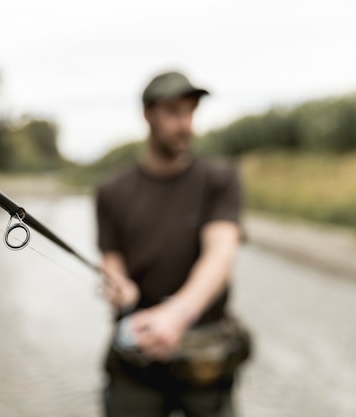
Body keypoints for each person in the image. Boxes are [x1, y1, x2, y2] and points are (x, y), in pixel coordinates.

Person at [96, 71, 244, 417]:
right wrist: (118, 283)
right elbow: (111, 257)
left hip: (206, 357)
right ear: (147, 114)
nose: (185, 125)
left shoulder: (220, 179)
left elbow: (220, 254)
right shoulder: (111, 190)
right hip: (137, 361)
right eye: (174, 112)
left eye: (191, 112)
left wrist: (178, 314)